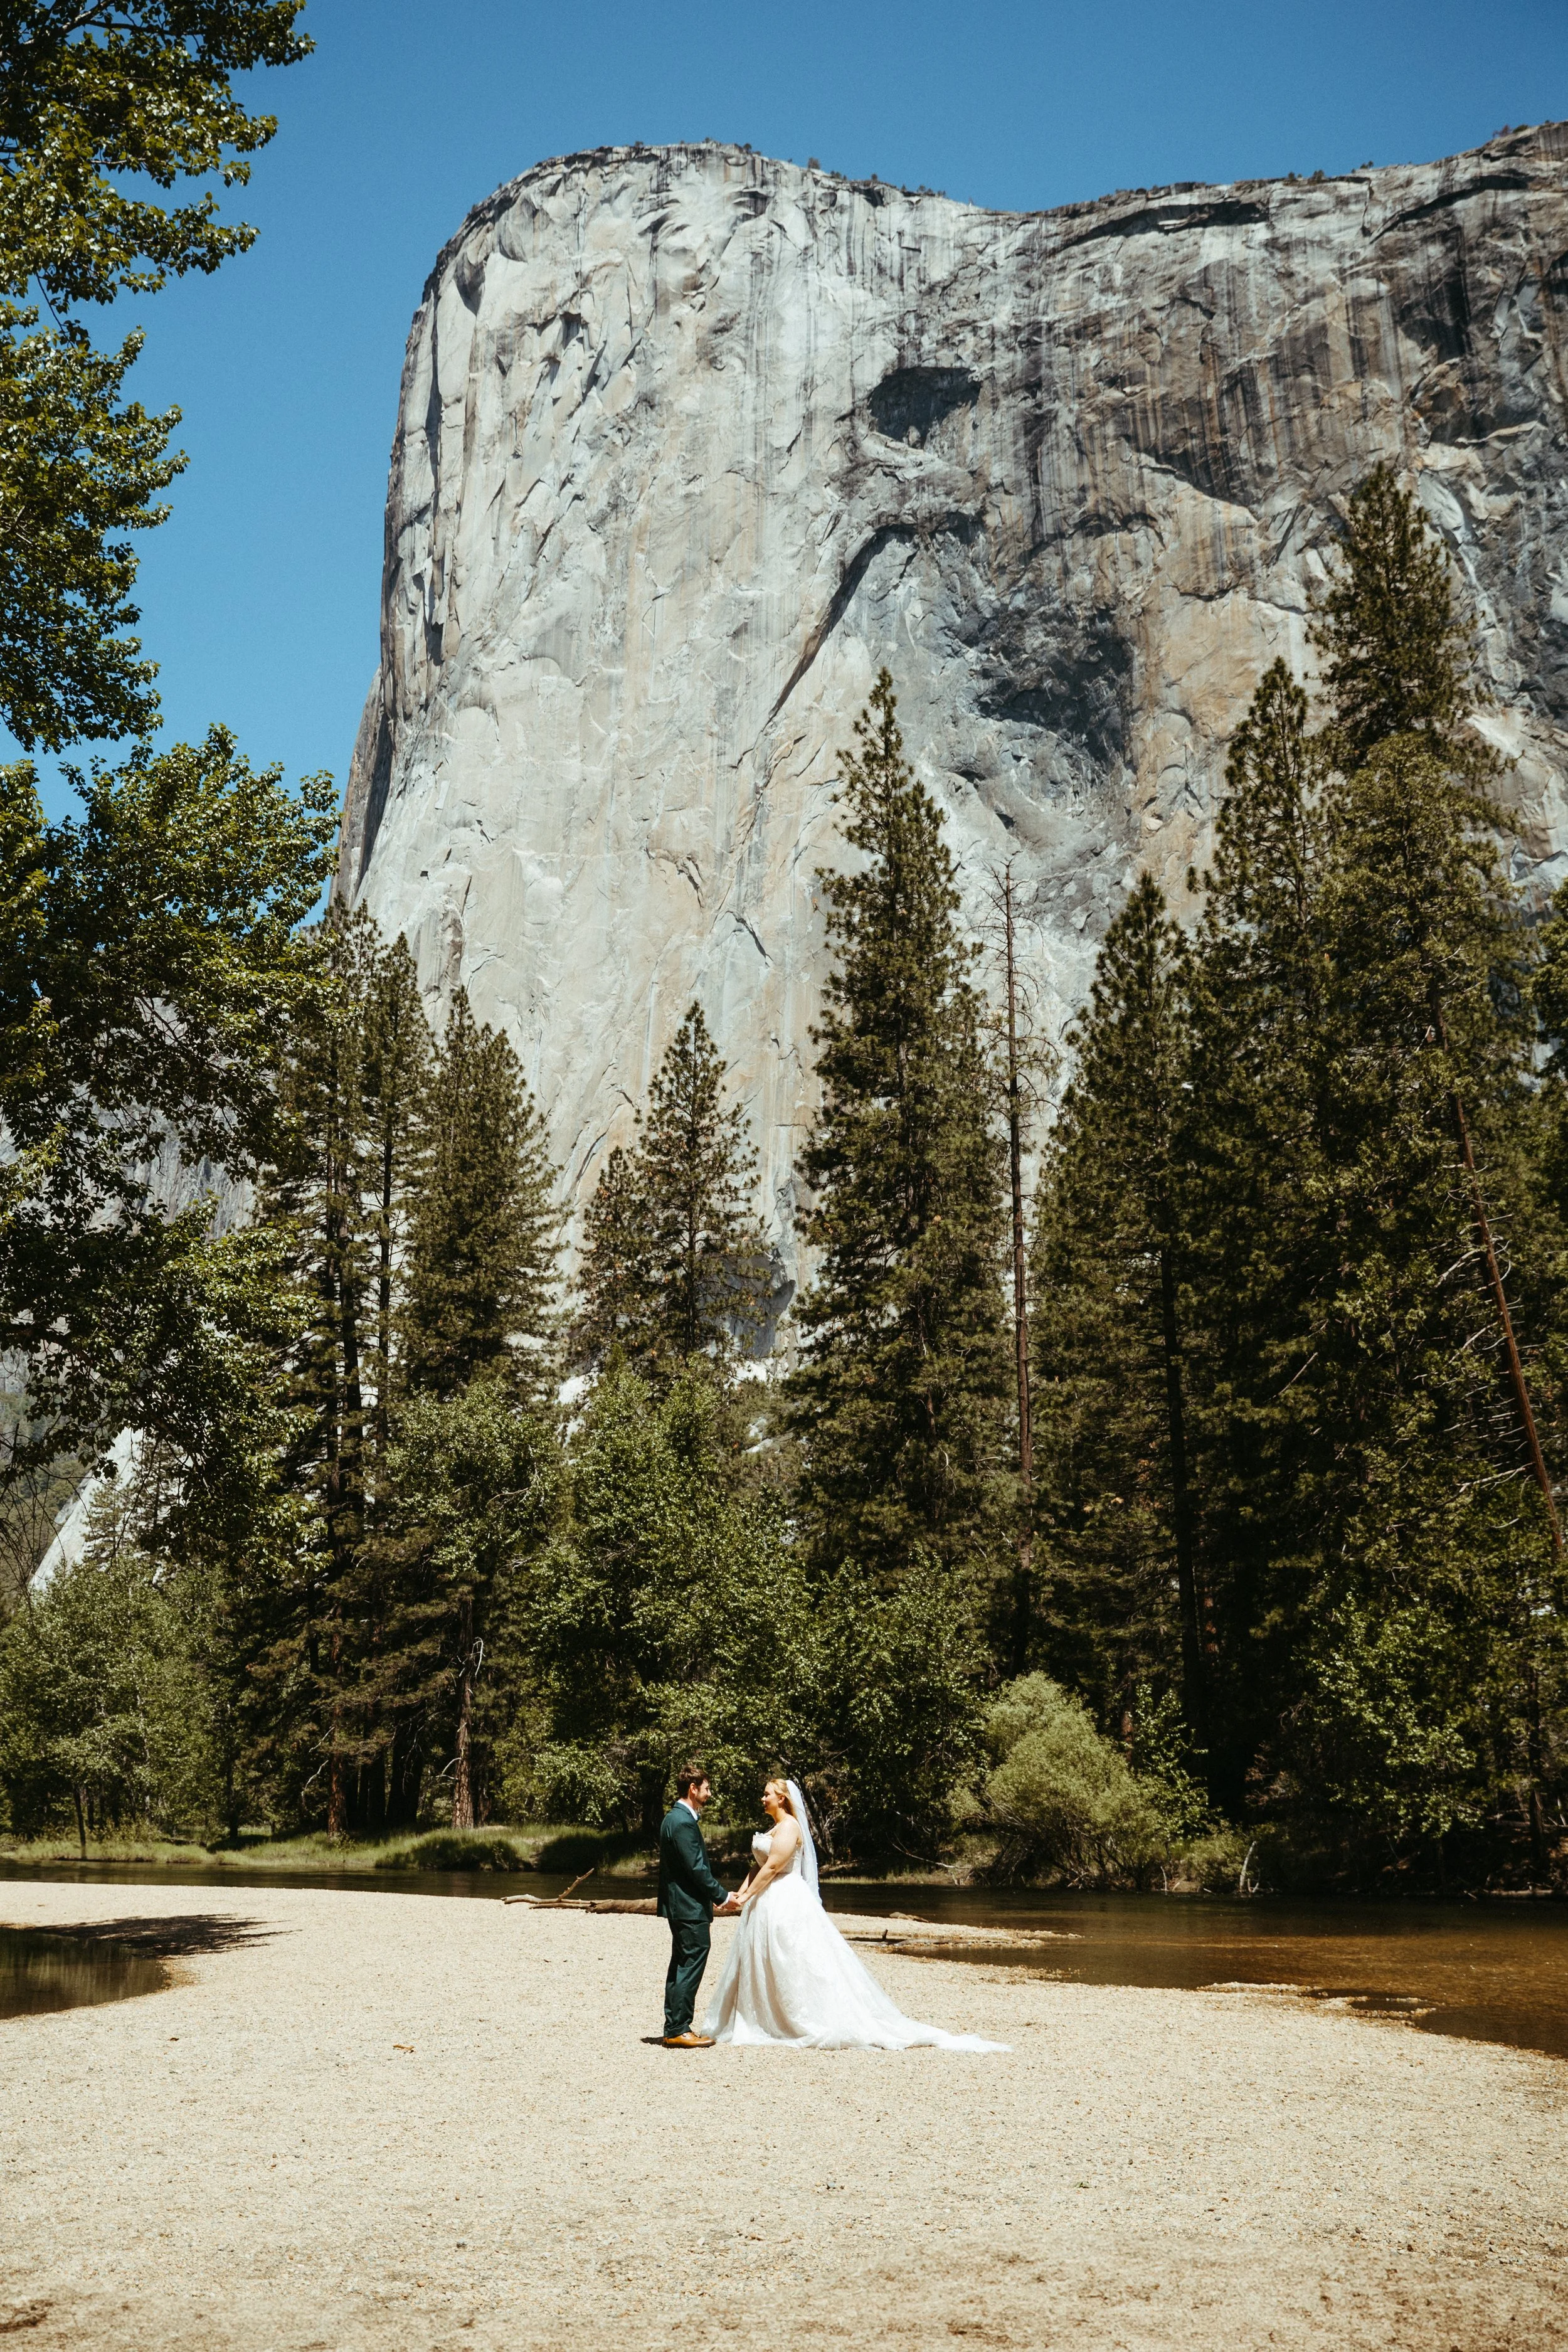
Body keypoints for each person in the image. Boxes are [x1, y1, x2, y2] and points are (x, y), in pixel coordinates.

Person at [702, 1776, 1007, 2051]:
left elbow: (772, 1867)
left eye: (766, 1794)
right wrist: (739, 1895)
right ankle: (766, 2016)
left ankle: (797, 2018)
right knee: (763, 1957)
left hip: (785, 1899)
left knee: (790, 1956)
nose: (762, 1798)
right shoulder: (773, 1828)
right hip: (765, 1901)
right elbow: (756, 1866)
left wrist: (746, 1898)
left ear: (782, 1798)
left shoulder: (791, 1827)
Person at [656, 1761, 738, 2048]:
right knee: (691, 1962)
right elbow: (697, 1869)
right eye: (706, 1789)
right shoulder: (681, 1822)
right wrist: (723, 1896)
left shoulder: (674, 1818)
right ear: (693, 1789)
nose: (710, 1793)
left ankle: (673, 2027)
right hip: (688, 1907)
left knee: (680, 1963)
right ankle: (679, 2028)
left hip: (682, 1906)